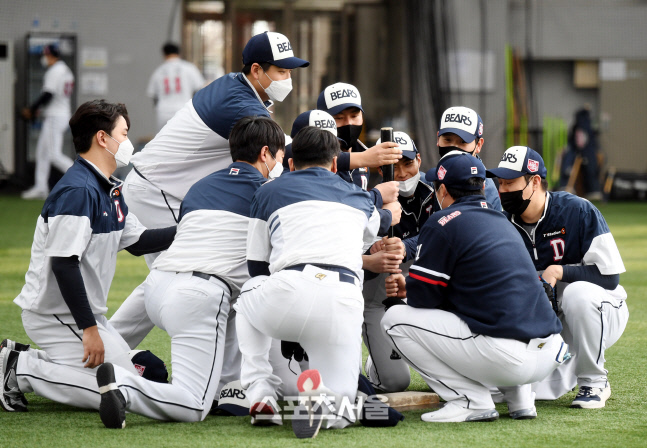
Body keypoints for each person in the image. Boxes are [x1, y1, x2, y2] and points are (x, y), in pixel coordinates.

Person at [109, 31, 310, 359]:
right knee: (187, 279)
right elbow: (286, 152)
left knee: (170, 280)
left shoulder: (241, 89)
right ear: (256, 70)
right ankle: (102, 352)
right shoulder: (239, 100)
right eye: (282, 71)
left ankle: (102, 351)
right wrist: (352, 160)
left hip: (161, 190)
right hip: (159, 192)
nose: (288, 78)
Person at [94, 116, 284, 428]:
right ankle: (126, 386)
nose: (280, 163)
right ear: (265, 153)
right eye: (278, 155)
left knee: (239, 298)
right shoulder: (269, 192)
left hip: (158, 284)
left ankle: (227, 385)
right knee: (194, 405)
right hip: (199, 296)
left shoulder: (202, 185)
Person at [0, 100, 176, 413]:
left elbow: (139, 242)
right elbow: (63, 265)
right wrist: (89, 330)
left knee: (147, 375)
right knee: (119, 390)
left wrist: (190, 226)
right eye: (123, 133)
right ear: (102, 138)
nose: (128, 141)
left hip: (83, 314)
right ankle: (18, 369)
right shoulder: (78, 191)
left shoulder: (108, 187)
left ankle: (23, 359)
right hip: (53, 314)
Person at [381, 152, 568, 423]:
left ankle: (469, 400)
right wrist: (414, 287)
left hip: (510, 359)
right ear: (482, 187)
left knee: (394, 319)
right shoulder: (503, 221)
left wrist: (408, 288)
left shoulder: (442, 222)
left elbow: (423, 300)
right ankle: (520, 401)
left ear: (442, 190)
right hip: (550, 352)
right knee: (494, 309)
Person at [235, 127, 382, 438]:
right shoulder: (360, 198)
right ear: (333, 164)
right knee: (344, 408)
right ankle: (322, 398)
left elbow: (256, 266)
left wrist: (285, 324)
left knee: (248, 293)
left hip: (290, 288)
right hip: (344, 299)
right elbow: (369, 235)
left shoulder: (267, 191)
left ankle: (262, 392)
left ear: (290, 163)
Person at [487, 146, 628, 408]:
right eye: (500, 183)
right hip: (552, 320)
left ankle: (594, 382)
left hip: (603, 309)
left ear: (535, 181)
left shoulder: (577, 210)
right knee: (530, 392)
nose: (503, 190)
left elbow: (610, 278)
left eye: (510, 182)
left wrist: (559, 271)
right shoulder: (502, 224)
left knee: (577, 294)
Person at [362, 131, 434, 392]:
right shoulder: (370, 199)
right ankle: (378, 358)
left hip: (425, 287)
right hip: (380, 295)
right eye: (394, 167)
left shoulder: (437, 191)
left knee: (444, 383)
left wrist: (405, 245)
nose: (402, 173)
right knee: (395, 382)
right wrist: (372, 246)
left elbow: (441, 237)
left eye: (408, 163)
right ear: (381, 170)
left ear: (419, 159)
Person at [21, 44, 75, 200]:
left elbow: (48, 95)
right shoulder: (65, 70)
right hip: (59, 113)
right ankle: (41, 187)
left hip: (55, 116)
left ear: (51, 55)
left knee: (53, 154)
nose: (44, 58)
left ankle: (85, 178)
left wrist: (32, 108)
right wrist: (39, 110)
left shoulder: (55, 70)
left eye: (45, 55)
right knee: (42, 153)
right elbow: (53, 96)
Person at [436, 106, 501, 211]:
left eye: (463, 142)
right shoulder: (430, 180)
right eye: (448, 140)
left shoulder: (486, 187)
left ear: (478, 145)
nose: (454, 148)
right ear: (438, 139)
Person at [147, 42, 205, 131]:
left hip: (164, 112)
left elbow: (153, 95)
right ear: (179, 53)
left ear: (164, 54)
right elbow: (200, 89)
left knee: (163, 140)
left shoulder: (158, 71)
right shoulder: (189, 68)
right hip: (184, 110)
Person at [559, 107, 603, 199]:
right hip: (581, 154)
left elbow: (579, 143)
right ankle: (592, 190)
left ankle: (568, 186)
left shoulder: (579, 127)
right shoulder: (586, 127)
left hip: (581, 153)